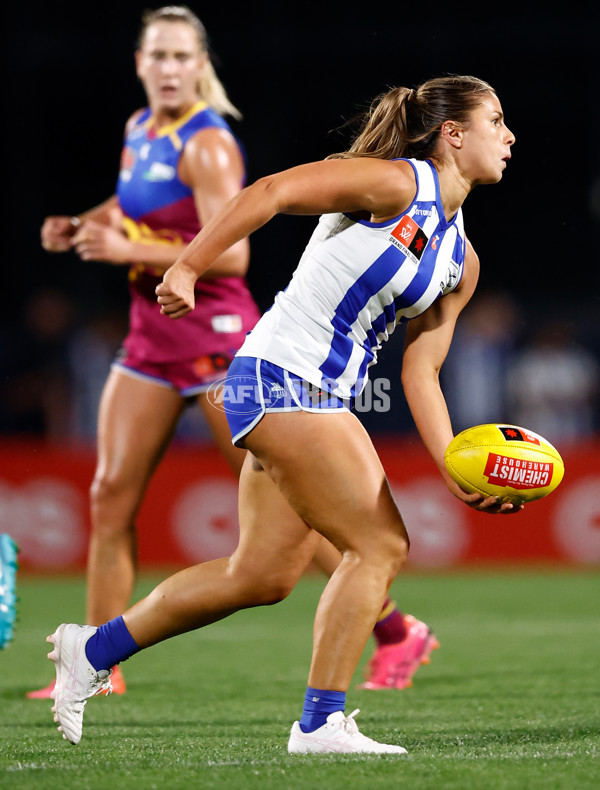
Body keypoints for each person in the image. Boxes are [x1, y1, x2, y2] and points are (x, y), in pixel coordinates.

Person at [47, 74, 519, 754]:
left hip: (303, 390)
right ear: (453, 133)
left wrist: (455, 467)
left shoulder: (460, 259)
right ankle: (320, 723)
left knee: (260, 577)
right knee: (380, 544)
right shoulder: (395, 185)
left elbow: (421, 372)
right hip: (280, 377)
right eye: (496, 121)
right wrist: (186, 265)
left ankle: (90, 650)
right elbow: (270, 193)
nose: (509, 136)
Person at [31, 5, 433, 698]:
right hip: (152, 338)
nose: (168, 69)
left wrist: (127, 249)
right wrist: (85, 224)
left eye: (182, 57)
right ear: (138, 63)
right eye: (157, 56)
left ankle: (394, 627)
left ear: (201, 66)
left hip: (220, 345)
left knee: (293, 513)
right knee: (109, 496)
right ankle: (98, 667)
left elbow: (237, 256)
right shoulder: (138, 132)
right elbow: (133, 204)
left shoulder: (208, 143)